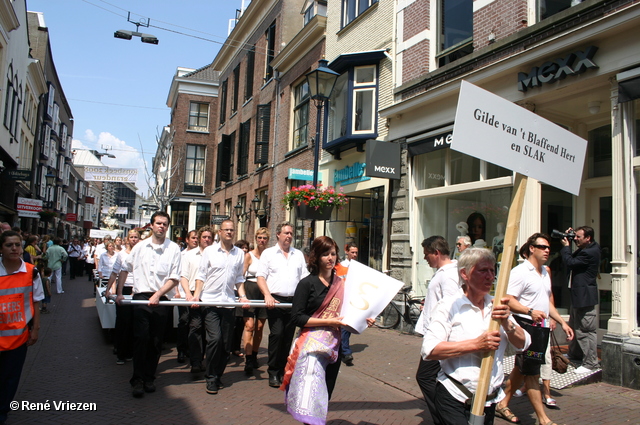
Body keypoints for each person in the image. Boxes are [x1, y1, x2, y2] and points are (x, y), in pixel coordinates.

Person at [422, 248, 529, 425]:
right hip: (455, 397)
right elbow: (430, 350)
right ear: (464, 273)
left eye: (492, 270)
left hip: (488, 401)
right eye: (483, 270)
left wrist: (507, 324)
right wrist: (476, 344)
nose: (490, 276)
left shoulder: (496, 306)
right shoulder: (448, 306)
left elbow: (523, 344)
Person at [496, 233, 574, 425]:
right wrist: (529, 311)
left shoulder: (545, 272)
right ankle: (543, 419)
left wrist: (562, 323)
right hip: (525, 328)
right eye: (543, 247)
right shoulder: (520, 272)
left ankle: (503, 402)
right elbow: (507, 299)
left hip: (542, 328)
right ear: (532, 248)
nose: (547, 251)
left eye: (549, 248)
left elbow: (547, 301)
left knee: (523, 368)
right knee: (532, 372)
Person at [281, 236, 348, 424]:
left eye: (333, 254)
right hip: (310, 348)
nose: (330, 258)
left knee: (324, 394)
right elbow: (296, 317)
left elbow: (350, 312)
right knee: (311, 395)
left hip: (334, 347)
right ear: (316, 257)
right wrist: (328, 321)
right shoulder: (306, 284)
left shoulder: (342, 284)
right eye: (325, 254)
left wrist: (365, 318)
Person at [115, 211, 182, 398]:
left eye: (165, 224)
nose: (161, 227)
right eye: (158, 223)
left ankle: (149, 377)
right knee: (141, 338)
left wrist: (159, 295)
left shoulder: (174, 249)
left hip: (161, 299)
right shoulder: (140, 247)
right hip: (141, 297)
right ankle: (137, 379)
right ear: (151, 225)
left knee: (156, 341)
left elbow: (174, 278)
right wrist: (120, 293)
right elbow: (125, 269)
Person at [190, 220, 247, 395]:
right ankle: (211, 377)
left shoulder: (239, 254)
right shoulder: (209, 251)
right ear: (220, 232)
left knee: (225, 344)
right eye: (226, 230)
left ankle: (217, 374)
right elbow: (201, 274)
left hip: (228, 303)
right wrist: (197, 294)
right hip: (210, 302)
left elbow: (239, 278)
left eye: (232, 230)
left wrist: (243, 296)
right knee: (214, 339)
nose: (229, 233)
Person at [414, 236, 462, 425]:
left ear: (437, 253)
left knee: (425, 376)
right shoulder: (444, 272)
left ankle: (445, 417)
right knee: (435, 377)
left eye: (427, 254)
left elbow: (451, 304)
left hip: (440, 336)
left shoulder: (448, 274)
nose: (425, 258)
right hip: (436, 333)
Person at [257, 222, 309, 387]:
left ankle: (282, 371)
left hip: (293, 301)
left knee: (288, 338)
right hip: (276, 300)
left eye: (291, 234)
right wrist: (267, 295)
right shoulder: (268, 254)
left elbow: (304, 279)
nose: (289, 236)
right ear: (278, 234)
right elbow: (261, 277)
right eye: (286, 233)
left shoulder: (298, 254)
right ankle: (273, 371)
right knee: (277, 334)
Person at [0, 231, 44, 425]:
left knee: (10, 377)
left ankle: (2, 411)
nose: (15, 249)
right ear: (1, 248)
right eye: (9, 245)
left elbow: (36, 302)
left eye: (17, 244)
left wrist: (35, 329)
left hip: (18, 336)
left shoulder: (31, 271)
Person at [560, 226, 601, 373]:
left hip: (585, 298)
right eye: (575, 236)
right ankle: (576, 355)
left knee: (585, 330)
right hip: (578, 296)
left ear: (588, 238)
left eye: (578, 237)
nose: (575, 239)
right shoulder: (588, 248)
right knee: (576, 326)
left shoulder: (590, 252)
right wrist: (570, 236)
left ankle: (590, 363)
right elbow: (574, 257)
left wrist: (566, 246)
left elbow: (569, 262)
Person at [180, 226, 215, 373]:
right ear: (199, 238)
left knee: (210, 330)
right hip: (194, 294)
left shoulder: (216, 255)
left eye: (209, 237)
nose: (207, 240)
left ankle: (208, 360)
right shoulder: (189, 255)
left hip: (210, 295)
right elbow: (184, 276)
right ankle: (195, 361)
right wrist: (188, 294)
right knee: (195, 327)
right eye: (204, 237)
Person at [105, 230, 141, 365]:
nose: (134, 239)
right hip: (124, 288)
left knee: (134, 322)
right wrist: (108, 289)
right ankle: (120, 352)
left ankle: (130, 351)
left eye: (136, 237)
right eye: (131, 237)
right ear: (127, 239)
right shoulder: (121, 255)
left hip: (137, 289)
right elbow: (115, 273)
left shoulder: (141, 254)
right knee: (122, 321)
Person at [241, 227, 270, 375]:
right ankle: (248, 358)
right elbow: (242, 275)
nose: (262, 240)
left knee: (259, 327)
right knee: (250, 326)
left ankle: (255, 354)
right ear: (256, 239)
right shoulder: (249, 256)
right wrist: (241, 294)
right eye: (259, 238)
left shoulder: (270, 255)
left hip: (264, 291)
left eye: (264, 238)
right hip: (250, 289)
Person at [175, 229, 199, 364]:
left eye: (197, 238)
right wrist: (177, 291)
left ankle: (192, 349)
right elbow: (176, 274)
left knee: (195, 323)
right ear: (187, 240)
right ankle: (181, 349)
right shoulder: (181, 255)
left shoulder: (203, 254)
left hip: (197, 294)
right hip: (183, 294)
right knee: (184, 320)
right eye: (193, 238)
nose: (195, 240)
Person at [339, 242, 359, 366]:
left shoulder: (358, 267)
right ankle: (346, 352)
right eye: (352, 252)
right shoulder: (341, 266)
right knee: (344, 326)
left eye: (356, 252)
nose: (355, 255)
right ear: (347, 252)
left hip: (353, 300)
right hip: (343, 299)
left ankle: (342, 348)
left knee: (348, 326)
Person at [230, 239, 251, 358]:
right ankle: (229, 346)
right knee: (232, 321)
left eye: (246, 247)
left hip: (242, 291)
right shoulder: (235, 258)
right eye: (242, 247)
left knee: (239, 321)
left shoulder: (247, 258)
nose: (244, 250)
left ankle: (236, 347)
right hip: (232, 290)